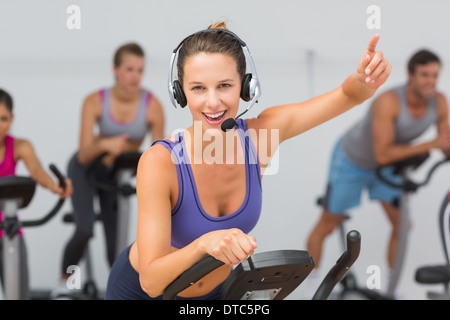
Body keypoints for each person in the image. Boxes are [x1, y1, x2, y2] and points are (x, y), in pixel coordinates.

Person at [105, 21, 391, 300]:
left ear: (245, 87)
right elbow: (152, 282)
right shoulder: (161, 162)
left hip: (217, 292)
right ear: (180, 93)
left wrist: (364, 82)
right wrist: (204, 245)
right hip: (141, 293)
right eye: (198, 88)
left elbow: (345, 95)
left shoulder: (259, 139)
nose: (213, 102)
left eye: (224, 85)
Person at [306, 49, 450, 283]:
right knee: (327, 225)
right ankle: (312, 288)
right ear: (410, 76)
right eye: (425, 75)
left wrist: (443, 144)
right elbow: (382, 153)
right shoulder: (389, 102)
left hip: (386, 168)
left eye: (435, 75)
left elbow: (444, 147)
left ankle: (393, 289)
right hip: (352, 161)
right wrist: (430, 144)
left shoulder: (440, 102)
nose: (431, 81)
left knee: (402, 226)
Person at [53, 43, 165, 298]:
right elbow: (83, 153)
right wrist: (104, 143)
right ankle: (62, 284)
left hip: (115, 176)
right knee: (85, 228)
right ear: (115, 70)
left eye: (140, 70)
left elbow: (159, 154)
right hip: (85, 169)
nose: (135, 76)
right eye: (129, 69)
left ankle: (120, 292)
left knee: (116, 243)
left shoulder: (152, 106)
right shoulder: (94, 101)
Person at [0, 88, 72, 299]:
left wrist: (54, 185)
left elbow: (37, 170)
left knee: (19, 294)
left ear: (12, 119)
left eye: (3, 119)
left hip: (10, 231)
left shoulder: (20, 146)